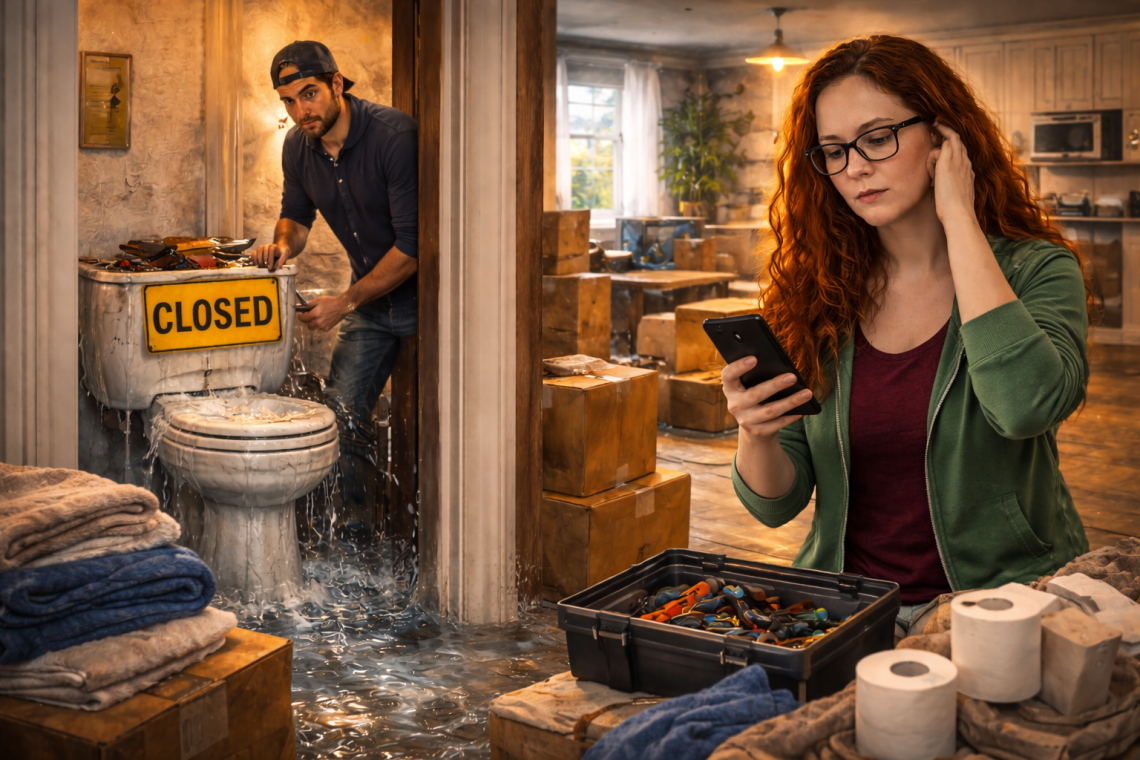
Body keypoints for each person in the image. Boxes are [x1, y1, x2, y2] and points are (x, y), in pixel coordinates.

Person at [724, 35, 1094, 640]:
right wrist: (754, 432)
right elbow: (775, 505)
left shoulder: (1037, 270)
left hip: (1005, 605)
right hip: (845, 611)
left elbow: (1024, 406)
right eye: (835, 150)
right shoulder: (815, 294)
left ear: (944, 137)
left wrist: (960, 217)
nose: (857, 167)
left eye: (877, 137)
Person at [253, 40, 418, 427]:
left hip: (430, 303)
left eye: (309, 94)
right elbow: (295, 216)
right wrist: (282, 246)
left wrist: (344, 303)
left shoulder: (393, 136)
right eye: (289, 101)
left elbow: (412, 247)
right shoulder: (296, 146)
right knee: (339, 422)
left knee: (437, 424)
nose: (300, 111)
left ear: (337, 84)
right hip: (371, 303)